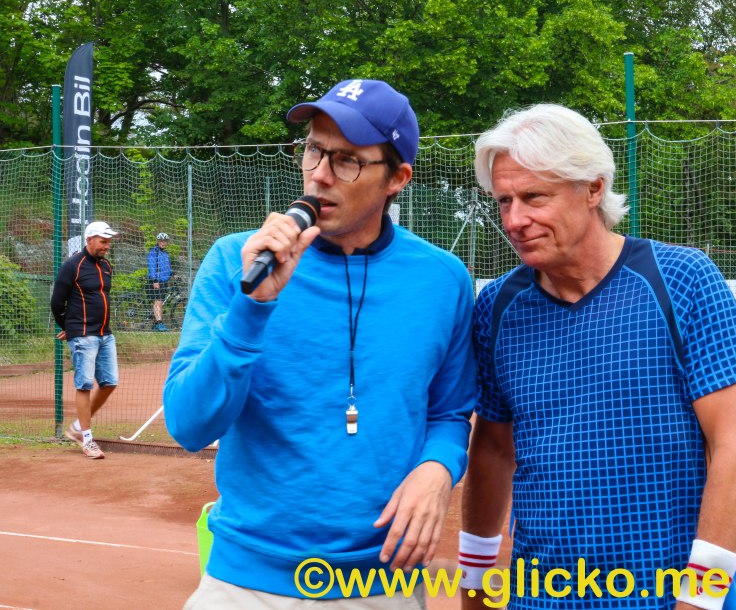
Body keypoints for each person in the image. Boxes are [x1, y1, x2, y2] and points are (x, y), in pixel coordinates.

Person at [163, 79, 476, 606]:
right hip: (245, 583)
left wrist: (438, 469)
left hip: (384, 584)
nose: (320, 175)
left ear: (397, 178)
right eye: (313, 149)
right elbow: (189, 426)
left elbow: (448, 413)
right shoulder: (234, 261)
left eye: (348, 160)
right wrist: (253, 306)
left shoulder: (443, 280)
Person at [459, 104, 736, 610]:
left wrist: (699, 599)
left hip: (671, 594)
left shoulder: (683, 279)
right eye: (504, 201)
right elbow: (492, 450)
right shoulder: (497, 304)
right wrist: (475, 586)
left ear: (593, 188)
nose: (515, 220)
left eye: (534, 197)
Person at [49, 220, 121, 460]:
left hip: (105, 335)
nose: (106, 246)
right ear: (89, 240)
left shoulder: (106, 265)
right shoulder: (73, 265)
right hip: (83, 337)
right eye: (103, 241)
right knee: (84, 385)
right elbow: (57, 302)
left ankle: (78, 428)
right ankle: (87, 438)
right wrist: (68, 327)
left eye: (108, 242)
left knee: (110, 382)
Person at [147, 232, 173, 331]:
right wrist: (155, 280)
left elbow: (167, 267)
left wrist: (173, 274)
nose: (163, 243)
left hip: (163, 281)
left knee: (160, 302)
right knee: (157, 302)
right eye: (161, 241)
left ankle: (155, 325)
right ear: (158, 241)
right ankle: (159, 323)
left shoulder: (165, 254)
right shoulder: (154, 252)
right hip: (156, 281)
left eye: (165, 241)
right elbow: (152, 266)